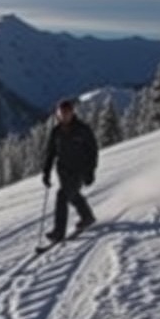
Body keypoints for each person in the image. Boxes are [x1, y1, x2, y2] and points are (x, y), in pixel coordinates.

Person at [41, 98, 98, 242]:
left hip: (79, 170)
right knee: (72, 194)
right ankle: (87, 216)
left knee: (62, 195)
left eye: (67, 112)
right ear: (58, 114)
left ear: (72, 113)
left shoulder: (82, 130)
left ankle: (59, 232)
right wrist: (46, 173)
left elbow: (92, 151)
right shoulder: (56, 132)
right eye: (61, 113)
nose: (64, 115)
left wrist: (90, 171)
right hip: (63, 171)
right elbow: (51, 153)